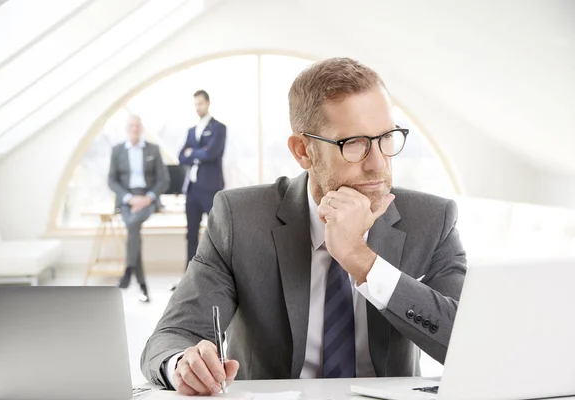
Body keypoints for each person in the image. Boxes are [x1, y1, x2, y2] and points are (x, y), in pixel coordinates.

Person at [141, 58, 466, 395]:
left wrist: (362, 261)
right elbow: (170, 337)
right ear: (303, 151)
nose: (378, 163)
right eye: (354, 144)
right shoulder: (240, 218)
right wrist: (184, 364)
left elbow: (467, 344)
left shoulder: (431, 220)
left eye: (386, 137)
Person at [108, 115, 169, 303]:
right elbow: (111, 180)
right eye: (131, 126)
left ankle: (128, 270)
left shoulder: (153, 149)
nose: (135, 129)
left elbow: (164, 180)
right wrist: (129, 198)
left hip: (147, 198)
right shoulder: (117, 150)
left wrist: (147, 198)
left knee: (133, 224)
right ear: (127, 128)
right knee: (134, 229)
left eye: (137, 126)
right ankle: (142, 285)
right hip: (127, 199)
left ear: (141, 128)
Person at [171, 90, 226, 290]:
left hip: (210, 188)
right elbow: (180, 157)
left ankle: (216, 280)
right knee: (191, 234)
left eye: (200, 103)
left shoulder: (219, 128)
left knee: (216, 234)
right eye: (195, 104)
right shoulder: (191, 130)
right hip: (192, 189)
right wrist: (198, 154)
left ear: (208, 103)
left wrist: (192, 153)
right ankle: (188, 280)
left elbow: (211, 153)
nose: (198, 107)